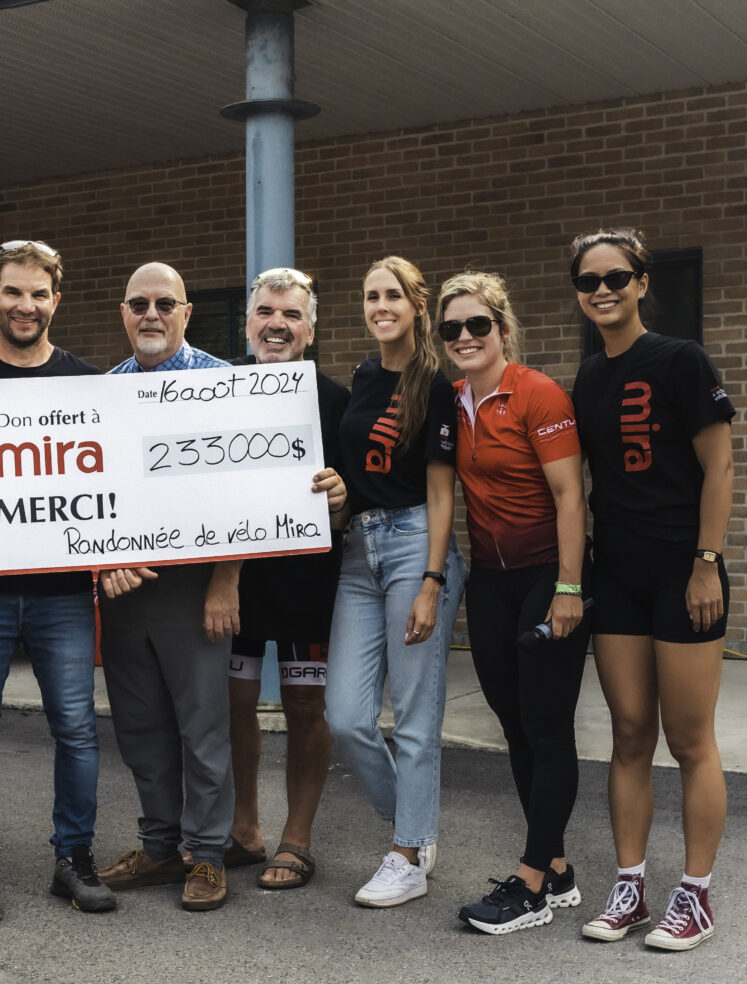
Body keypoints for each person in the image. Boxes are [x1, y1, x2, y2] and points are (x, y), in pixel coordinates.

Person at [0, 240, 116, 923]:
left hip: (64, 591)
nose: (26, 305)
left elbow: (110, 486)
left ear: (55, 301)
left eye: (38, 294)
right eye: (13, 292)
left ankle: (75, 858)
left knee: (76, 728)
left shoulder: (86, 384)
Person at [568, 228, 735, 952]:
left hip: (683, 572)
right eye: (588, 281)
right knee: (629, 734)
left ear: (641, 283)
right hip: (619, 577)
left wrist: (706, 561)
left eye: (615, 277)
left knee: (689, 739)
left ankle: (694, 896)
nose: (602, 290)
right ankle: (631, 885)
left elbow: (720, 468)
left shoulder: (681, 360)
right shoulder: (588, 377)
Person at [437, 271, 591, 935]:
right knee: (514, 722)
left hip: (543, 577)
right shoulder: (452, 402)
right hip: (491, 581)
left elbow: (569, 497)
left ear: (502, 329)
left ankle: (530, 883)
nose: (465, 337)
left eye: (478, 325)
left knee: (548, 724)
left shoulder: (537, 393)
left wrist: (567, 587)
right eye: (452, 329)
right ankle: (555, 867)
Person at [93, 262, 241, 913]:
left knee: (203, 728)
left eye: (163, 304)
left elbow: (246, 496)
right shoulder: (102, 393)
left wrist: (224, 581)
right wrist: (99, 563)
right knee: (141, 727)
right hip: (124, 591)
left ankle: (207, 855)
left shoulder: (223, 383)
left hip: (194, 588)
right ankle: (159, 847)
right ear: (123, 313)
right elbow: (84, 498)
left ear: (186, 313)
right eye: (138, 304)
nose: (150, 314)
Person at [325, 256, 466, 908]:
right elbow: (363, 471)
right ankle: (414, 821)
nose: (380, 306)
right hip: (359, 549)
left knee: (413, 715)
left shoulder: (438, 381)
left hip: (416, 545)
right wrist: (338, 492)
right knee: (347, 717)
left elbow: (443, 492)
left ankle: (409, 855)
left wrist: (433, 581)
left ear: (417, 305)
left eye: (392, 296)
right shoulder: (362, 376)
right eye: (370, 295)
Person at [224, 268, 350, 890]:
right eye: (266, 312)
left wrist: (341, 495)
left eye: (291, 314)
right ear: (247, 322)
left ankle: (296, 838)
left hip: (307, 580)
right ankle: (244, 828)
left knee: (304, 703)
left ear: (310, 327)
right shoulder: (214, 389)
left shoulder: (336, 400)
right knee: (234, 702)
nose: (277, 323)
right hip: (233, 579)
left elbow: (352, 501)